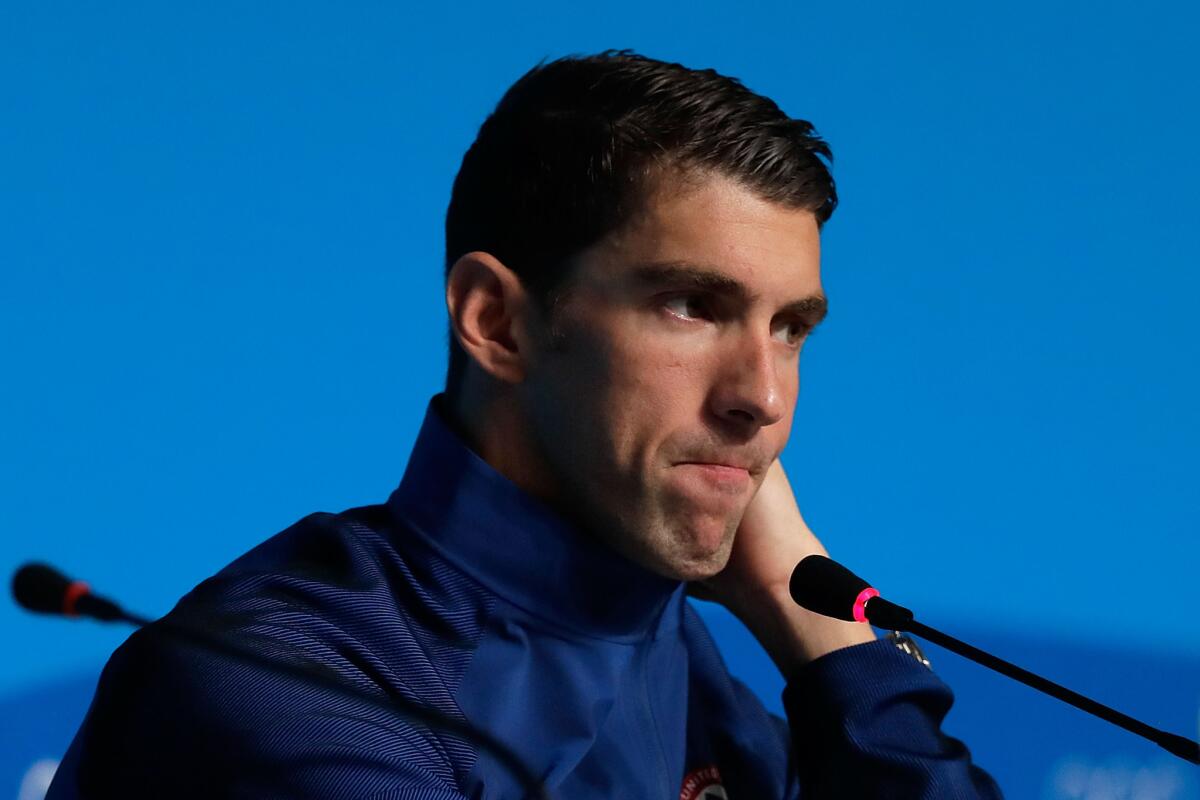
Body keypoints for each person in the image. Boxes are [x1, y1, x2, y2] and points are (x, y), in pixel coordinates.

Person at [47, 50, 1002, 798]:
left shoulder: (699, 675)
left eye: (790, 328)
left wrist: (821, 628)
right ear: (497, 322)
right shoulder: (290, 686)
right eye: (691, 307)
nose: (763, 394)